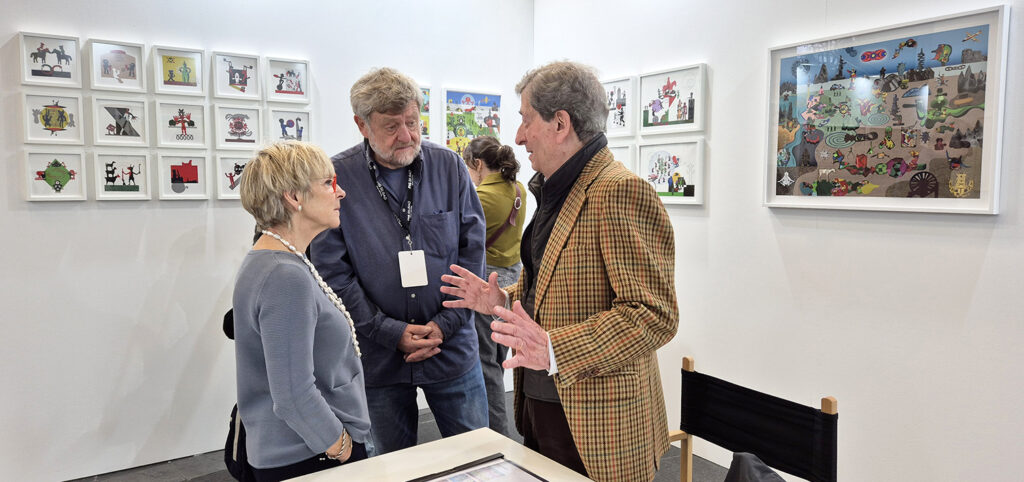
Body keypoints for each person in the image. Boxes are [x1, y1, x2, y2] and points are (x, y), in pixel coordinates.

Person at [441, 61, 679, 481]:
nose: (518, 137)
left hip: (598, 424)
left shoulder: (618, 191)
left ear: (561, 124)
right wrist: (502, 300)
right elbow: (554, 287)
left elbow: (653, 315)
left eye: (526, 120)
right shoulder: (558, 189)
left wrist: (553, 349)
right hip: (547, 403)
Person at [310, 67, 488, 455]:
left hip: (450, 348)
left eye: (412, 121)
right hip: (379, 357)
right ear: (362, 125)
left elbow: (473, 252)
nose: (406, 135)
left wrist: (443, 325)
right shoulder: (337, 179)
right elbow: (332, 272)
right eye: (392, 126)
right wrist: (390, 332)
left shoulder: (449, 167)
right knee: (389, 467)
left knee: (478, 458)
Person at [233, 141, 371, 481]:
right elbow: (293, 396)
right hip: (307, 456)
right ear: (294, 197)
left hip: (303, 451)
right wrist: (341, 447)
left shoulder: (277, 261)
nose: (340, 192)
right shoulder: (284, 275)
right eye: (328, 183)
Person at [461, 136, 527, 437]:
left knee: (486, 365)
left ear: (477, 164)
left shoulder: (480, 198)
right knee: (497, 361)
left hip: (487, 282)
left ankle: (497, 437)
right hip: (513, 278)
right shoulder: (518, 189)